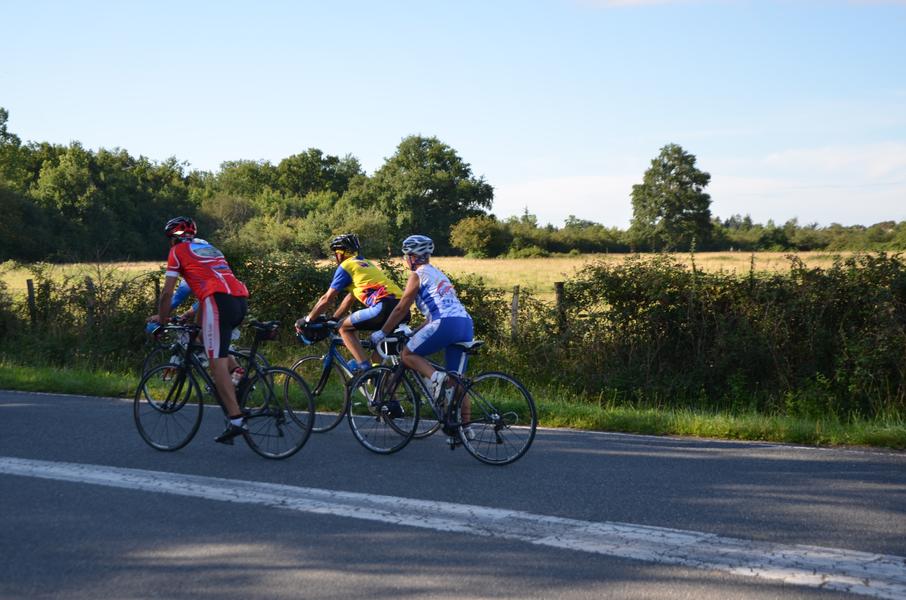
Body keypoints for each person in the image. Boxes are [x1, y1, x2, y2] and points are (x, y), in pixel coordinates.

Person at [149, 216, 250, 444]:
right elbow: (206, 287)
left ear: (172, 238)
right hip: (239, 300)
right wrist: (195, 320)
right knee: (206, 338)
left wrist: (163, 320)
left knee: (216, 365)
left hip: (218, 302)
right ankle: (239, 375)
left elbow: (167, 293)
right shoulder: (211, 249)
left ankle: (236, 419)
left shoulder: (177, 252)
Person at [369, 235, 474, 436]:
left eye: (405, 256)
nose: (405, 259)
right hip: (465, 323)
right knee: (456, 381)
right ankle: (465, 430)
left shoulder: (417, 275)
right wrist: (415, 331)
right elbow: (436, 311)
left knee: (407, 355)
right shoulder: (439, 274)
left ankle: (435, 378)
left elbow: (401, 307)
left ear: (412, 257)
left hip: (444, 323)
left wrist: (382, 332)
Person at [297, 233, 406, 371]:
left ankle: (365, 369)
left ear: (341, 253)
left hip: (383, 307)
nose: (335, 257)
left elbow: (327, 298)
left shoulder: (347, 265)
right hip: (402, 308)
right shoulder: (366, 263)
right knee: (378, 353)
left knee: (344, 327)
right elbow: (351, 296)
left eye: (335, 253)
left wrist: (307, 319)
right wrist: (335, 318)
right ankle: (378, 381)